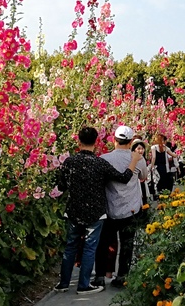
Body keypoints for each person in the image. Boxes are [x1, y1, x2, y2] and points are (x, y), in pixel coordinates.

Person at [54, 126, 144, 294]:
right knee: (90, 247)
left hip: (74, 210)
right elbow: (123, 178)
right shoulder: (99, 163)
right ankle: (84, 285)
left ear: (79, 142)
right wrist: (133, 161)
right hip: (95, 212)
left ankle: (63, 284)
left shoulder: (69, 162)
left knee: (71, 246)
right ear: (96, 142)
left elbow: (61, 186)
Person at [92, 125, 149, 288]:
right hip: (131, 209)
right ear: (131, 142)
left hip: (109, 208)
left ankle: (100, 276)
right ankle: (122, 276)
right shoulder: (138, 158)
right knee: (127, 244)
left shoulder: (104, 158)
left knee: (103, 243)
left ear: (114, 140)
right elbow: (144, 176)